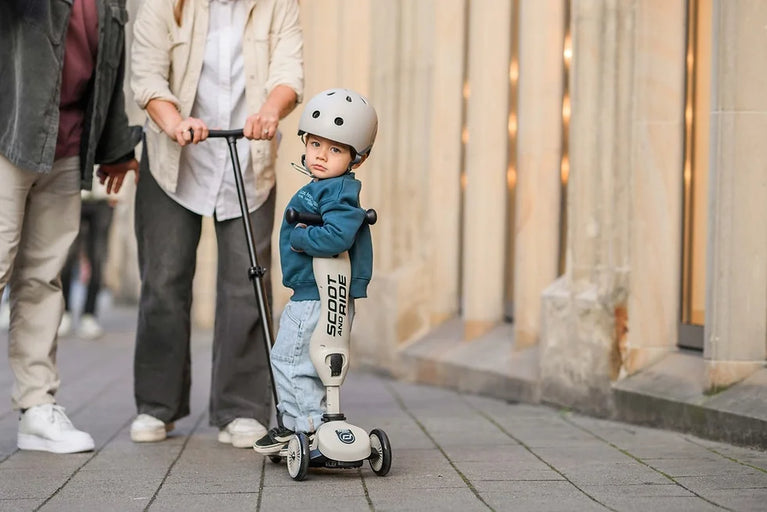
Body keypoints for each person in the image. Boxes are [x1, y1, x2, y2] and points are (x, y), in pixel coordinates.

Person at [129, 0, 304, 447]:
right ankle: (157, 405)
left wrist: (269, 110)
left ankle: (241, 408)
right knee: (164, 280)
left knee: (248, 281)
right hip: (175, 158)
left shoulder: (277, 5)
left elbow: (289, 72)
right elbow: (146, 76)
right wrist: (173, 121)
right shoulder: (163, 5)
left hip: (248, 156)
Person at [0, 0, 141, 453]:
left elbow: (111, 70)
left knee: (43, 277)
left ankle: (37, 408)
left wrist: (116, 145)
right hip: (8, 136)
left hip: (65, 146)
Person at [253, 88, 377, 454]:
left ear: (358, 157)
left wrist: (303, 236)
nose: (322, 155)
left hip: (315, 296)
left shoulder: (337, 192)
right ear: (304, 141)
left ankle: (301, 428)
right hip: (325, 293)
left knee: (291, 359)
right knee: (320, 361)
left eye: (336, 149)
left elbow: (337, 235)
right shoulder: (328, 187)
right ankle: (319, 422)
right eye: (316, 144)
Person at [59, 175, 119, 340]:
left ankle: (89, 315)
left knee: (98, 258)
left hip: (104, 196)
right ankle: (65, 312)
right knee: (67, 256)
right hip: (74, 193)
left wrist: (119, 192)